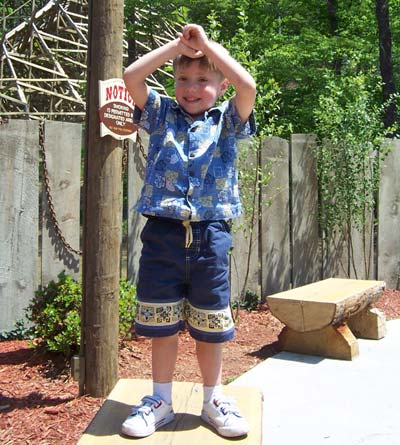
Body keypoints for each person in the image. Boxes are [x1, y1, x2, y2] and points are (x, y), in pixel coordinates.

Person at [121, 23, 256, 439]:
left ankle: (212, 398)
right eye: (183, 78)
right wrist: (177, 47)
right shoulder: (160, 113)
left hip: (211, 235)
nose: (191, 87)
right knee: (161, 323)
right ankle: (160, 399)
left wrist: (209, 48)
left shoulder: (229, 121)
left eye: (203, 79)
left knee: (210, 324)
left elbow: (247, 84)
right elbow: (131, 77)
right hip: (162, 234)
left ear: (219, 84)